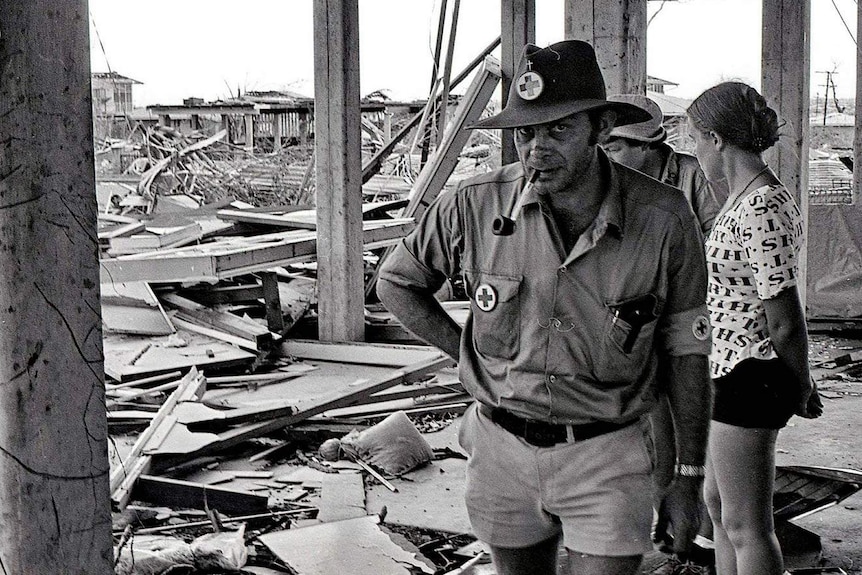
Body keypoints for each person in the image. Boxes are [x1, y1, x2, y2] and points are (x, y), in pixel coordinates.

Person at [377, 39, 713, 575]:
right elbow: (395, 282)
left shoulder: (664, 219)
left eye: (558, 130)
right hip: (500, 446)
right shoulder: (474, 203)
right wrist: (464, 354)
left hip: (609, 452)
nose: (537, 149)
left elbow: (687, 355)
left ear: (601, 129)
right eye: (526, 133)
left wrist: (687, 477)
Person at [686, 81, 823, 575]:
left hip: (751, 372)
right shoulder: (742, 199)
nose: (695, 152)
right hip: (728, 369)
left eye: (696, 139)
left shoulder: (763, 205)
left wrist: (800, 382)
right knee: (720, 511)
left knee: (747, 525)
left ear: (717, 140)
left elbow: (783, 317)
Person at [602, 93, 724, 574]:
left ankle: (705, 532)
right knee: (655, 428)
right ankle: (669, 532)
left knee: (698, 418)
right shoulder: (610, 184)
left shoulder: (695, 180)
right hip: (639, 317)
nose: (606, 154)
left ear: (650, 146)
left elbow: (717, 259)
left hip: (693, 317)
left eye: (615, 146)